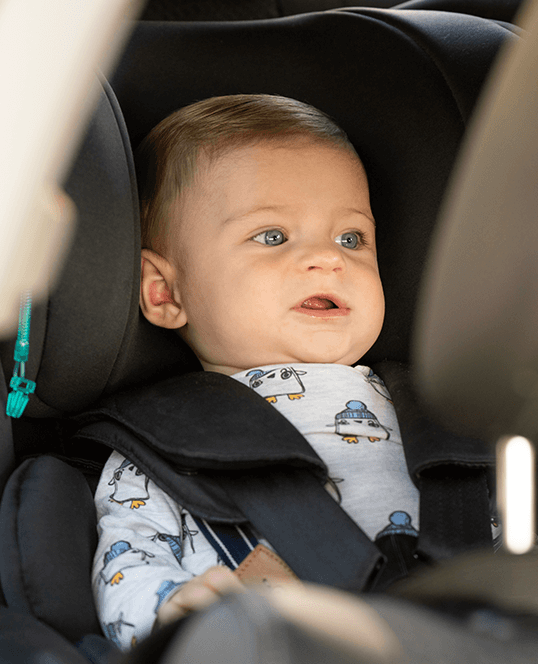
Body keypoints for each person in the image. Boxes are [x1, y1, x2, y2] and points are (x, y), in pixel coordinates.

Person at [90, 94, 493, 649]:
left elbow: (494, 526)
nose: (330, 259)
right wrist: (172, 612)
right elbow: (129, 558)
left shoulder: (429, 411)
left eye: (351, 238)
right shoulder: (163, 443)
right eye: (273, 236)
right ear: (164, 291)